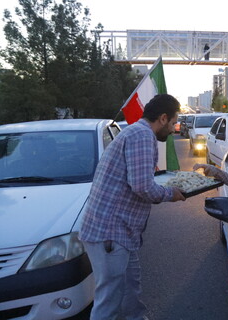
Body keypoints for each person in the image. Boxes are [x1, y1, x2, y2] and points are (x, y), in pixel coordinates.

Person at [79, 94, 186, 320]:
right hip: (109, 233)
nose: (175, 128)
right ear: (163, 118)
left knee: (130, 289)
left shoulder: (137, 132)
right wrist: (171, 194)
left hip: (122, 232)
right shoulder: (142, 135)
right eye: (174, 121)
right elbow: (141, 186)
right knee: (108, 301)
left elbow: (138, 179)